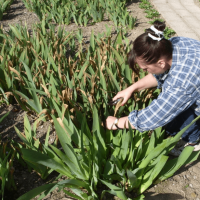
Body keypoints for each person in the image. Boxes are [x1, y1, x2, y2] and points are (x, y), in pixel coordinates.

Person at [105, 20, 200, 153]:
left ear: (161, 63)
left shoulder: (182, 83)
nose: (145, 71)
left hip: (191, 91)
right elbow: (160, 74)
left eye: (146, 68)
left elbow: (155, 117)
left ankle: (192, 140)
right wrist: (131, 88)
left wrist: (116, 123)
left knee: (172, 119)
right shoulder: (174, 44)